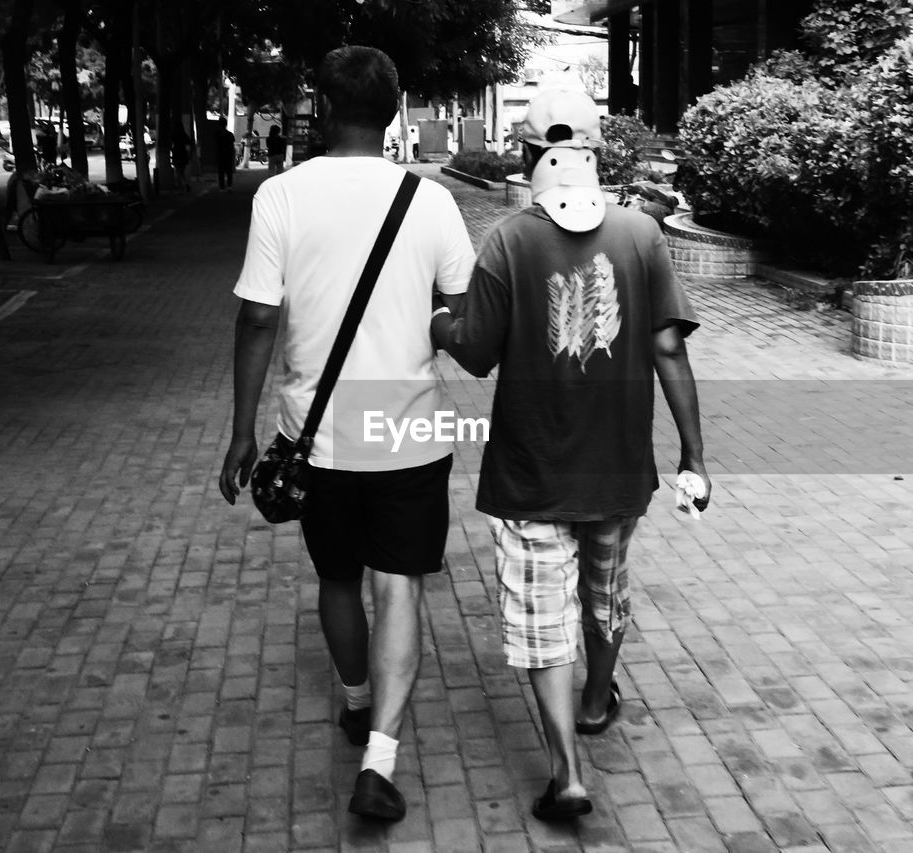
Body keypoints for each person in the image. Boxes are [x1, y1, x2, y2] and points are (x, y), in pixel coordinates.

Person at [431, 88, 711, 822]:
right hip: (618, 468)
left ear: (527, 154)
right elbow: (668, 348)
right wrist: (694, 455)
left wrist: (439, 323)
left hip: (530, 473)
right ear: (596, 151)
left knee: (540, 619)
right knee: (606, 593)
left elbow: (477, 354)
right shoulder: (642, 235)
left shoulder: (507, 241)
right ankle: (596, 700)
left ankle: (567, 772)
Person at [218, 45, 475, 823]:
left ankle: (358, 699)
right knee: (399, 584)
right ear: (396, 113)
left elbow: (259, 316)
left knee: (337, 577)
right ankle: (381, 758)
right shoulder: (429, 202)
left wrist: (242, 431)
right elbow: (460, 316)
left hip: (316, 436)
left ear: (320, 110)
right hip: (410, 434)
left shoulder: (282, 197)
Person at [214, 119, 236, 190]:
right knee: (229, 171)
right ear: (226, 124)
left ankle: (222, 187)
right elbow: (232, 145)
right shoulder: (230, 134)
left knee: (221, 171)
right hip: (228, 155)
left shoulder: (217, 134)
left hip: (220, 154)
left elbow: (216, 144)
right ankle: (229, 186)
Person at [171, 124, 194, 191]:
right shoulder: (183, 135)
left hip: (176, 154)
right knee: (181, 171)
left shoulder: (174, 135)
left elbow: (171, 143)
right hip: (183, 154)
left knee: (178, 171)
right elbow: (189, 142)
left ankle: (181, 186)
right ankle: (185, 185)